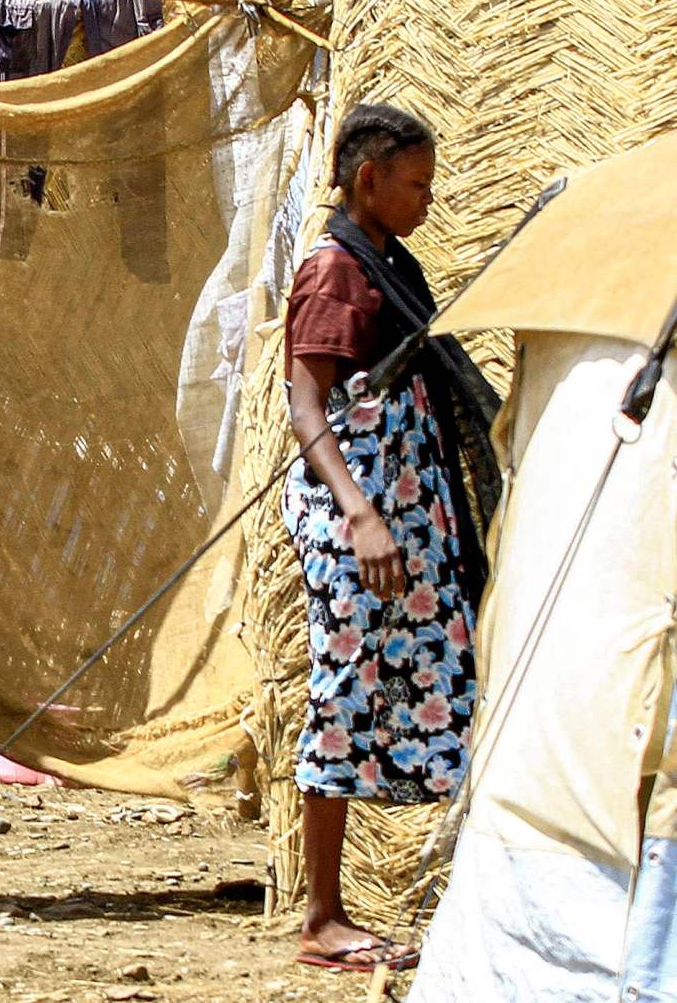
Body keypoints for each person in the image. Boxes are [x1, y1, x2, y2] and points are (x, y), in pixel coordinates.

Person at [283, 103, 499, 974]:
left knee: (439, 678)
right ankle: (322, 918)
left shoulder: (390, 265)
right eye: (416, 184)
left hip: (406, 516)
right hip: (362, 522)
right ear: (368, 180)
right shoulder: (335, 270)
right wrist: (361, 514)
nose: (427, 201)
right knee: (342, 694)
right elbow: (308, 407)